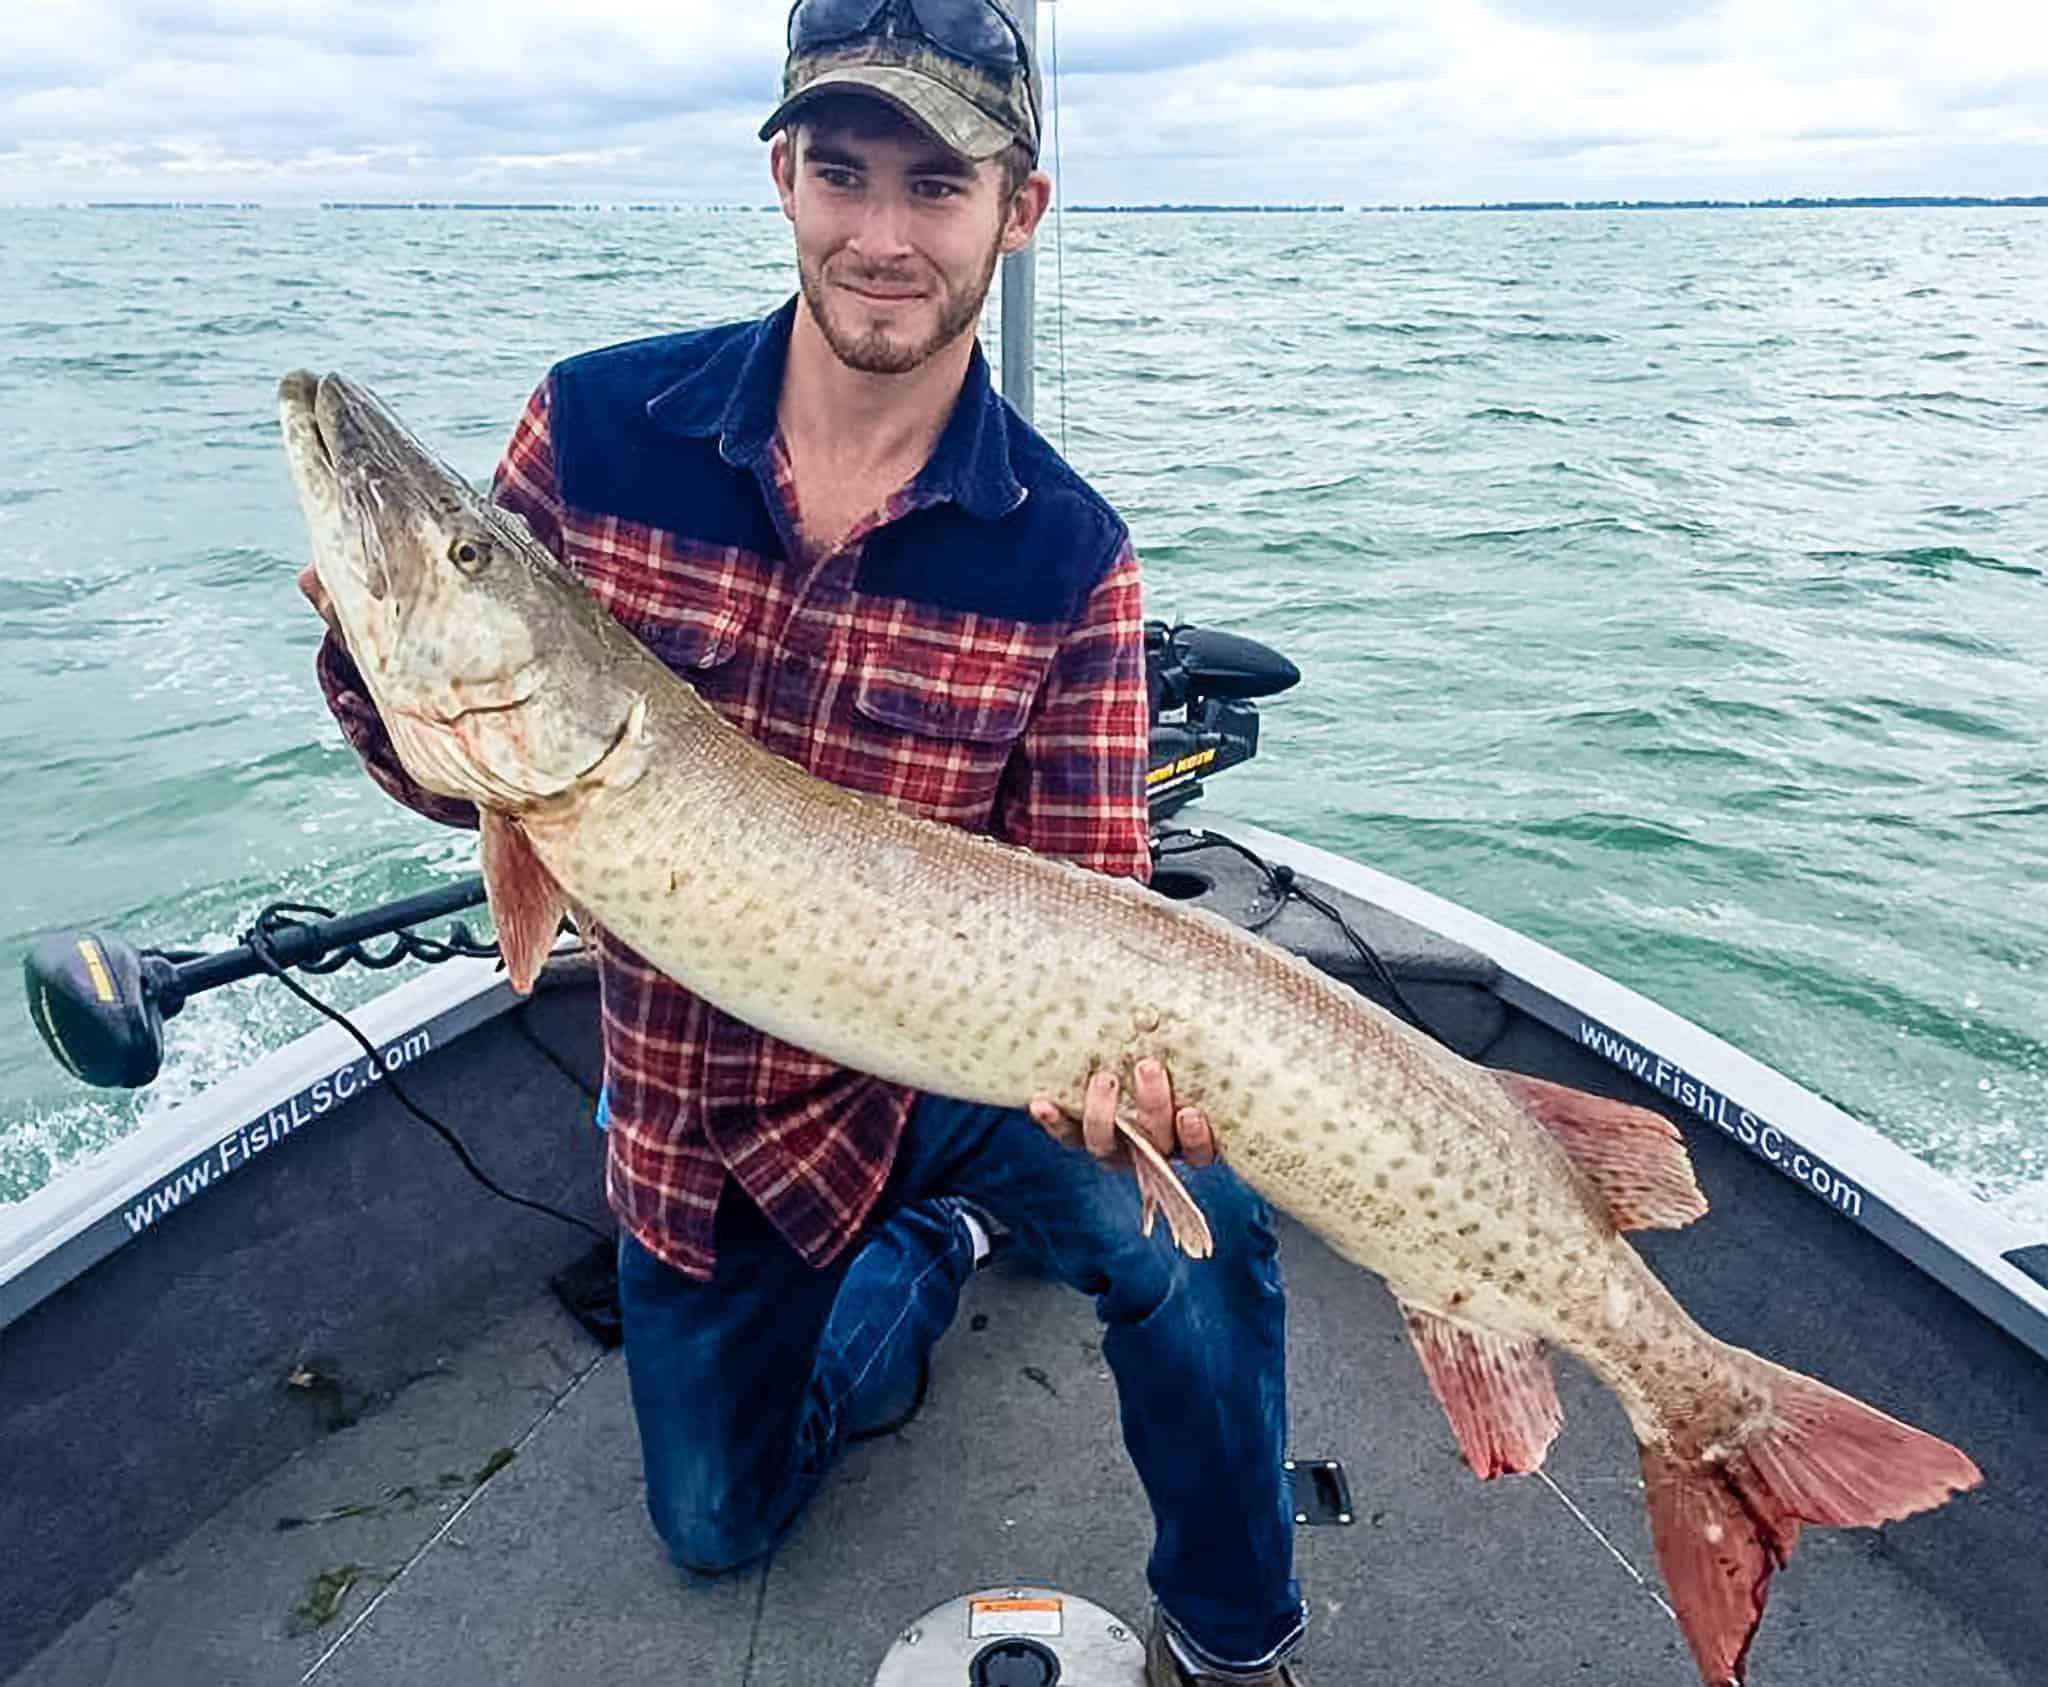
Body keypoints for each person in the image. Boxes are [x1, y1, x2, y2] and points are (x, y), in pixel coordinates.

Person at [304, 3, 1306, 1680]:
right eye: (842, 174)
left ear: (1020, 211)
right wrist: (377, 651)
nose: (883, 234)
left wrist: (1125, 1087)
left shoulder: (1070, 557)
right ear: (782, 179)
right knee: (715, 1527)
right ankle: (925, 1257)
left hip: (963, 1069)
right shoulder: (594, 429)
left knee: (1202, 1233)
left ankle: (1235, 1627)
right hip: (708, 1111)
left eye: (937, 186)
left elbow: (1089, 916)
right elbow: (477, 780)